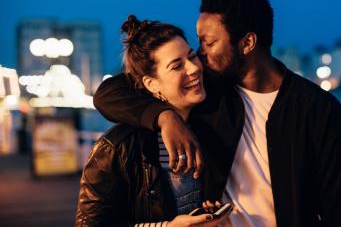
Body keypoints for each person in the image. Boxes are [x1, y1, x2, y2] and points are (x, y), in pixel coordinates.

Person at [94, 0, 341, 226]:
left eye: (208, 42)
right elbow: (108, 93)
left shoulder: (318, 109)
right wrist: (165, 117)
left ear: (247, 42)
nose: (199, 54)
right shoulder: (209, 90)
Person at [75, 15, 228, 227]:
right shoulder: (118, 147)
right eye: (176, 66)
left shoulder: (207, 125)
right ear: (151, 84)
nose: (193, 69)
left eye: (192, 57)